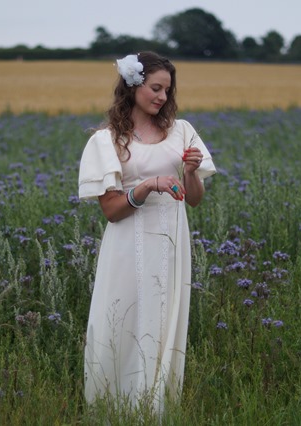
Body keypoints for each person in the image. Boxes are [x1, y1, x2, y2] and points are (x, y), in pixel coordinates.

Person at [78, 51, 216, 414]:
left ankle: (155, 410)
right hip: (126, 247)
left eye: (167, 91)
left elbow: (196, 200)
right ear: (133, 85)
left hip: (171, 246)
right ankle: (114, 409)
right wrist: (146, 186)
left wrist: (189, 172)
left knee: (164, 322)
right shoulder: (107, 141)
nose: (162, 97)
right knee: (122, 322)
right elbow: (110, 210)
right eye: (156, 88)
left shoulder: (182, 131)